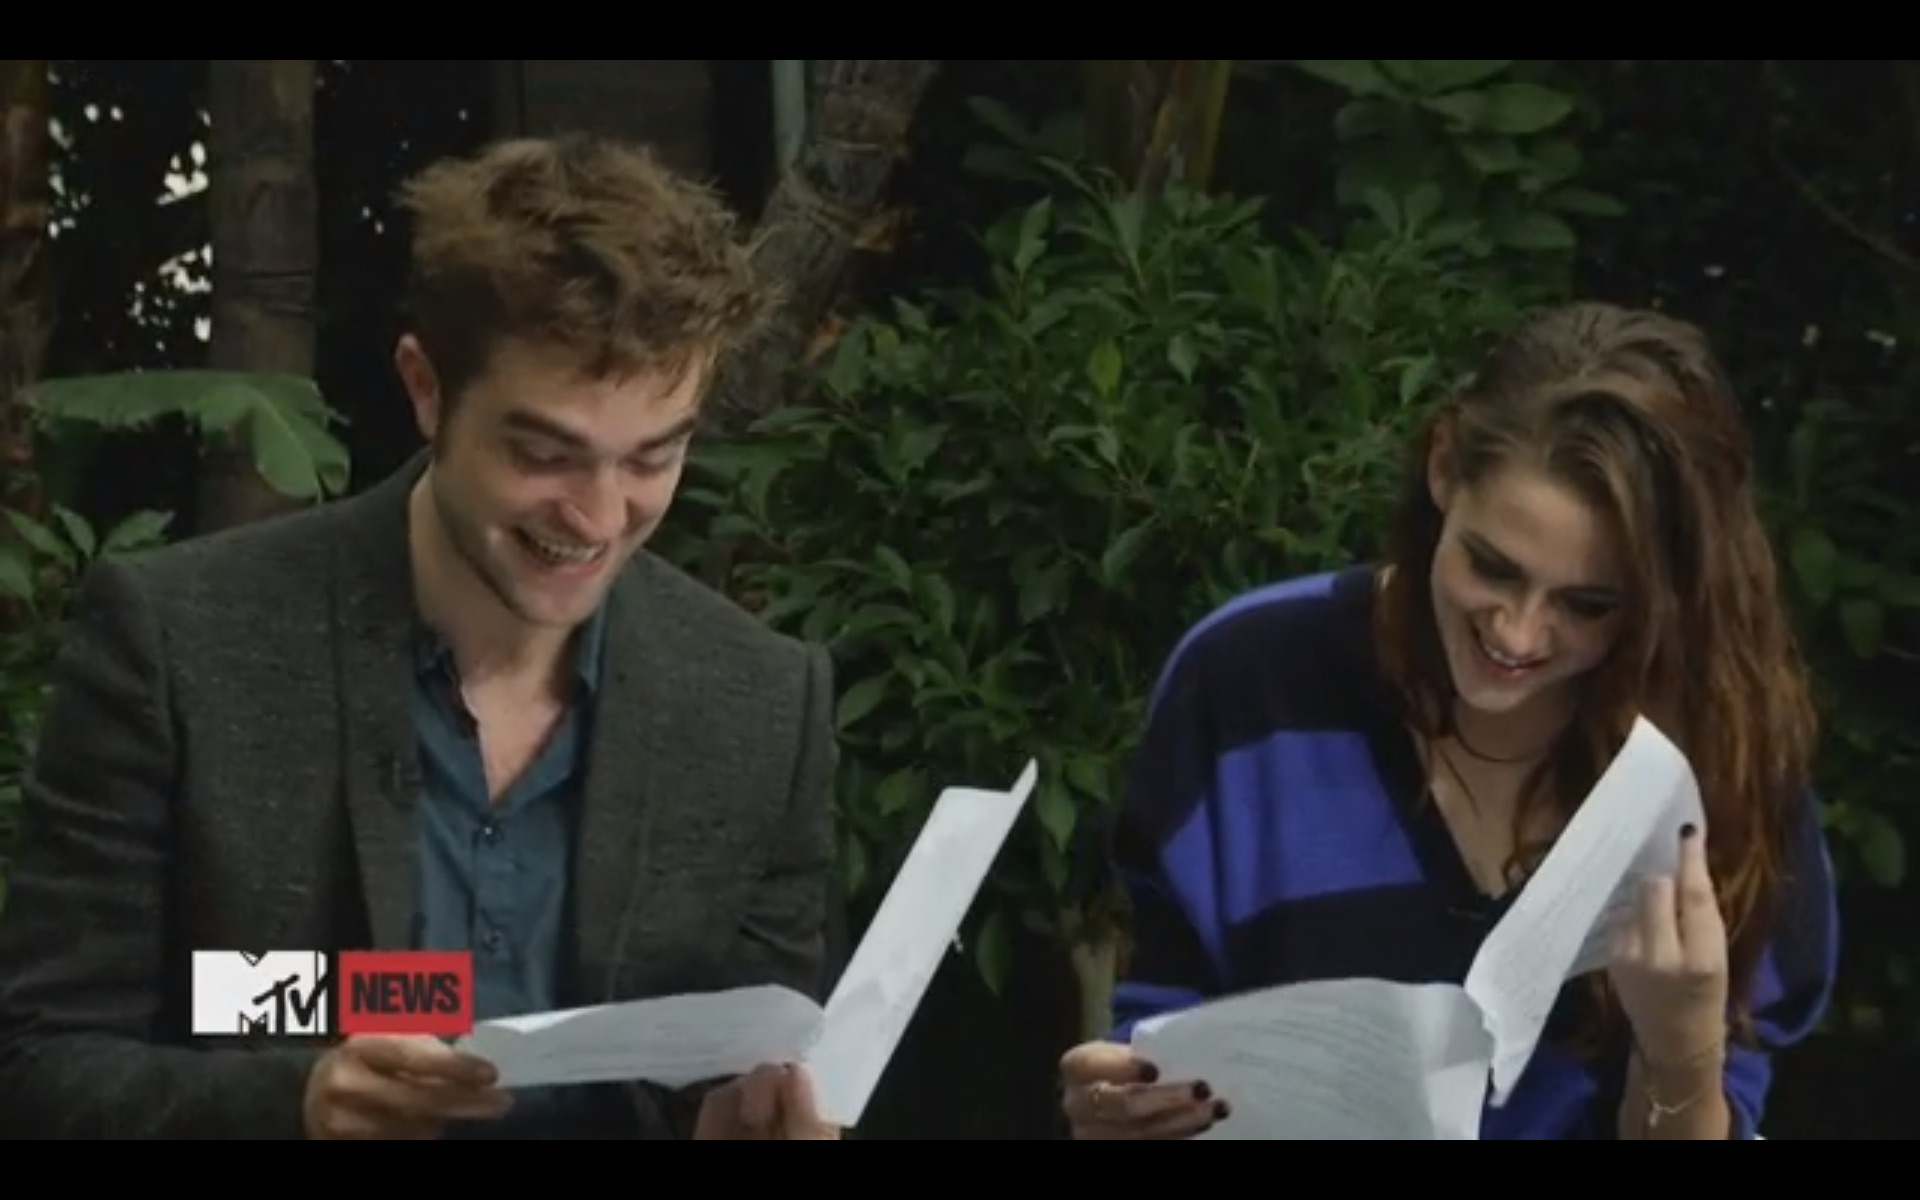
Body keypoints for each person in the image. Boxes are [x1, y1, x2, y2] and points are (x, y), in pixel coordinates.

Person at [0, 135, 841, 1140]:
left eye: (653, 458)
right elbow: (42, 1062)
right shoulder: (183, 646)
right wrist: (294, 1104)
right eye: (544, 454)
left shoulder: (759, 704)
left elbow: (752, 1060)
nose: (598, 515)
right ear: (426, 387)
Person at [1058, 302, 1838, 1141]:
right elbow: (1161, 1015)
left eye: (1588, 605)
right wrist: (1123, 1103)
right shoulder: (1249, 680)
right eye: (1492, 567)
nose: (1519, 634)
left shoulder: (1720, 741)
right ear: (1442, 467)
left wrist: (1681, 1050)